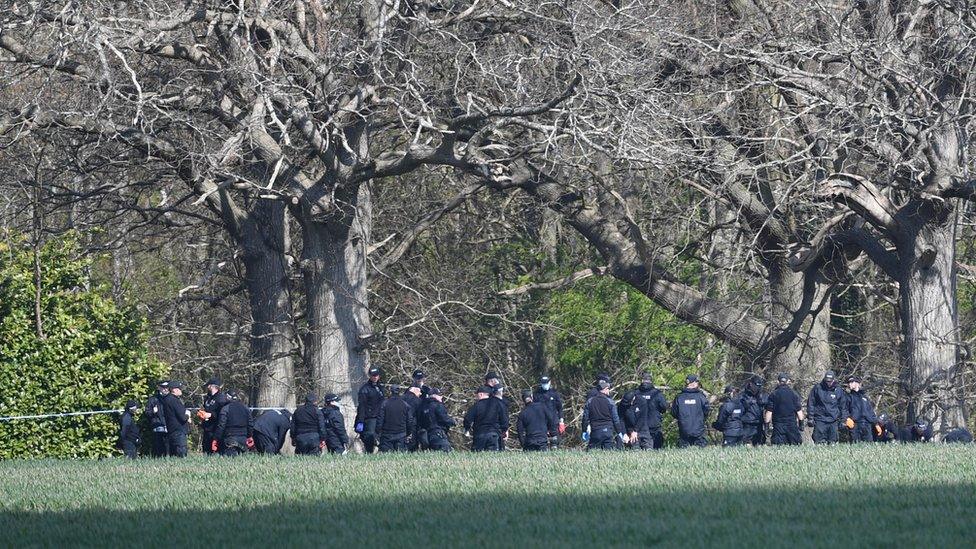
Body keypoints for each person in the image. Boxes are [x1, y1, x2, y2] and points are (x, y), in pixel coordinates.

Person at [582, 380, 628, 450]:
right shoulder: (610, 402)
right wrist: (619, 432)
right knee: (608, 454)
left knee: (591, 453)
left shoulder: (590, 401)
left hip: (595, 432)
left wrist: (584, 430)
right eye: (608, 389)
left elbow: (585, 418)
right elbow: (616, 420)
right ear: (606, 389)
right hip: (608, 432)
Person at [463, 386, 509, 451]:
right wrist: (504, 430)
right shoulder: (498, 404)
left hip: (479, 435)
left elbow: (467, 419)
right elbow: (504, 418)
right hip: (494, 434)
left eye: (477, 395)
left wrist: (467, 428)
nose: (476, 397)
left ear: (481, 394)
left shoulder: (476, 405)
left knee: (477, 457)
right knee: (493, 457)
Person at [764, 372, 804, 446]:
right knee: (795, 446)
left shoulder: (773, 394)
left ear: (778, 382)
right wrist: (801, 424)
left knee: (778, 447)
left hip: (778, 426)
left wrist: (766, 426)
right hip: (792, 425)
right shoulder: (794, 394)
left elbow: (769, 412)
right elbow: (799, 411)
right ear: (788, 381)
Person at [670, 374, 709, 448]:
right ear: (693, 383)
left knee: (683, 454)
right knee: (701, 453)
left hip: (684, 430)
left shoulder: (679, 397)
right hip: (699, 431)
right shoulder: (701, 397)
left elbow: (674, 412)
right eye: (697, 382)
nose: (698, 384)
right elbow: (706, 411)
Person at [631, 373, 668, 450]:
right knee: (656, 449)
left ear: (642, 381)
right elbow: (664, 408)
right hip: (653, 425)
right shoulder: (657, 393)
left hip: (638, 426)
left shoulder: (635, 393)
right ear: (651, 381)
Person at [806, 371, 844, 444]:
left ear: (833, 380)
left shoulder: (838, 390)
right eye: (827, 381)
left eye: (830, 381)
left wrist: (843, 420)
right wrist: (810, 417)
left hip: (833, 420)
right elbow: (811, 403)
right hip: (820, 419)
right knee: (819, 441)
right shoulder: (817, 388)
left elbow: (843, 406)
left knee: (833, 442)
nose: (828, 383)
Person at [213, 389, 253, 456]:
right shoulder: (245, 408)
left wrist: (216, 438)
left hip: (229, 439)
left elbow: (221, 425)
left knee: (230, 460)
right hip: (243, 438)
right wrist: (250, 436)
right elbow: (250, 424)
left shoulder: (225, 409)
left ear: (228, 398)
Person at [355, 367, 385, 453]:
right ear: (370, 376)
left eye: (376, 375)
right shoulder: (365, 389)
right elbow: (362, 407)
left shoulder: (380, 387)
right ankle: (369, 452)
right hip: (370, 418)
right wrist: (360, 421)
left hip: (380, 416)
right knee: (369, 436)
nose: (375, 377)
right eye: (373, 376)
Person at [377, 385, 415, 452]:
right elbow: (409, 420)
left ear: (390, 391)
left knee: (386, 458)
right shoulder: (405, 405)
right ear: (399, 392)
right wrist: (408, 433)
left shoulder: (384, 404)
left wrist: (378, 432)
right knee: (400, 457)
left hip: (386, 435)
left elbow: (380, 420)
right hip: (401, 435)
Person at [198, 377, 230, 455]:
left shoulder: (221, 398)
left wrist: (211, 415)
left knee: (215, 451)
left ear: (212, 386)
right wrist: (202, 414)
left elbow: (223, 414)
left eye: (208, 386)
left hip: (215, 429)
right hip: (207, 428)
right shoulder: (207, 398)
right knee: (206, 449)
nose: (207, 388)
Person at [842, 375, 878, 443]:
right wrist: (846, 419)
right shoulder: (848, 397)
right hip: (855, 425)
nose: (850, 384)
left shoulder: (865, 397)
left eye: (852, 382)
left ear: (857, 383)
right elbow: (844, 409)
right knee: (855, 445)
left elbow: (870, 411)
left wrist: (876, 423)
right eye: (849, 382)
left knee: (868, 446)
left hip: (867, 424)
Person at [533, 376, 565, 447]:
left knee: (555, 441)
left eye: (546, 383)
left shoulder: (554, 393)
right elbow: (534, 409)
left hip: (553, 421)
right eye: (543, 383)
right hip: (541, 422)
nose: (545, 385)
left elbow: (560, 408)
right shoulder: (537, 394)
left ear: (549, 382)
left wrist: (561, 421)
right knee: (542, 441)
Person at [162, 381, 190, 457]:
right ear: (174, 390)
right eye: (179, 389)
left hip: (171, 430)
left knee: (173, 455)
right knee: (181, 455)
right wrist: (188, 415)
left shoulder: (166, 399)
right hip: (179, 431)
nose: (181, 391)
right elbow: (182, 417)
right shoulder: (174, 401)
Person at [740, 375, 767, 446]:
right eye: (756, 385)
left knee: (759, 443)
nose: (757, 388)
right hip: (747, 423)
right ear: (751, 384)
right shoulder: (744, 395)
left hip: (759, 424)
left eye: (759, 386)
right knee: (746, 443)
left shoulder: (762, 395)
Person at [145, 381, 169, 457]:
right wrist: (153, 412)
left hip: (168, 425)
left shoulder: (170, 398)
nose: (165, 389)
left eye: (167, 387)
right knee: (159, 446)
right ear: (159, 388)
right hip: (158, 426)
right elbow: (147, 412)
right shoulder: (153, 399)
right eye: (163, 387)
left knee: (168, 446)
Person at [402, 383, 424, 451]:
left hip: (400, 426)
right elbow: (420, 415)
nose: (420, 393)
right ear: (415, 390)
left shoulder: (401, 398)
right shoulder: (417, 400)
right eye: (419, 391)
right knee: (412, 446)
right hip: (413, 425)